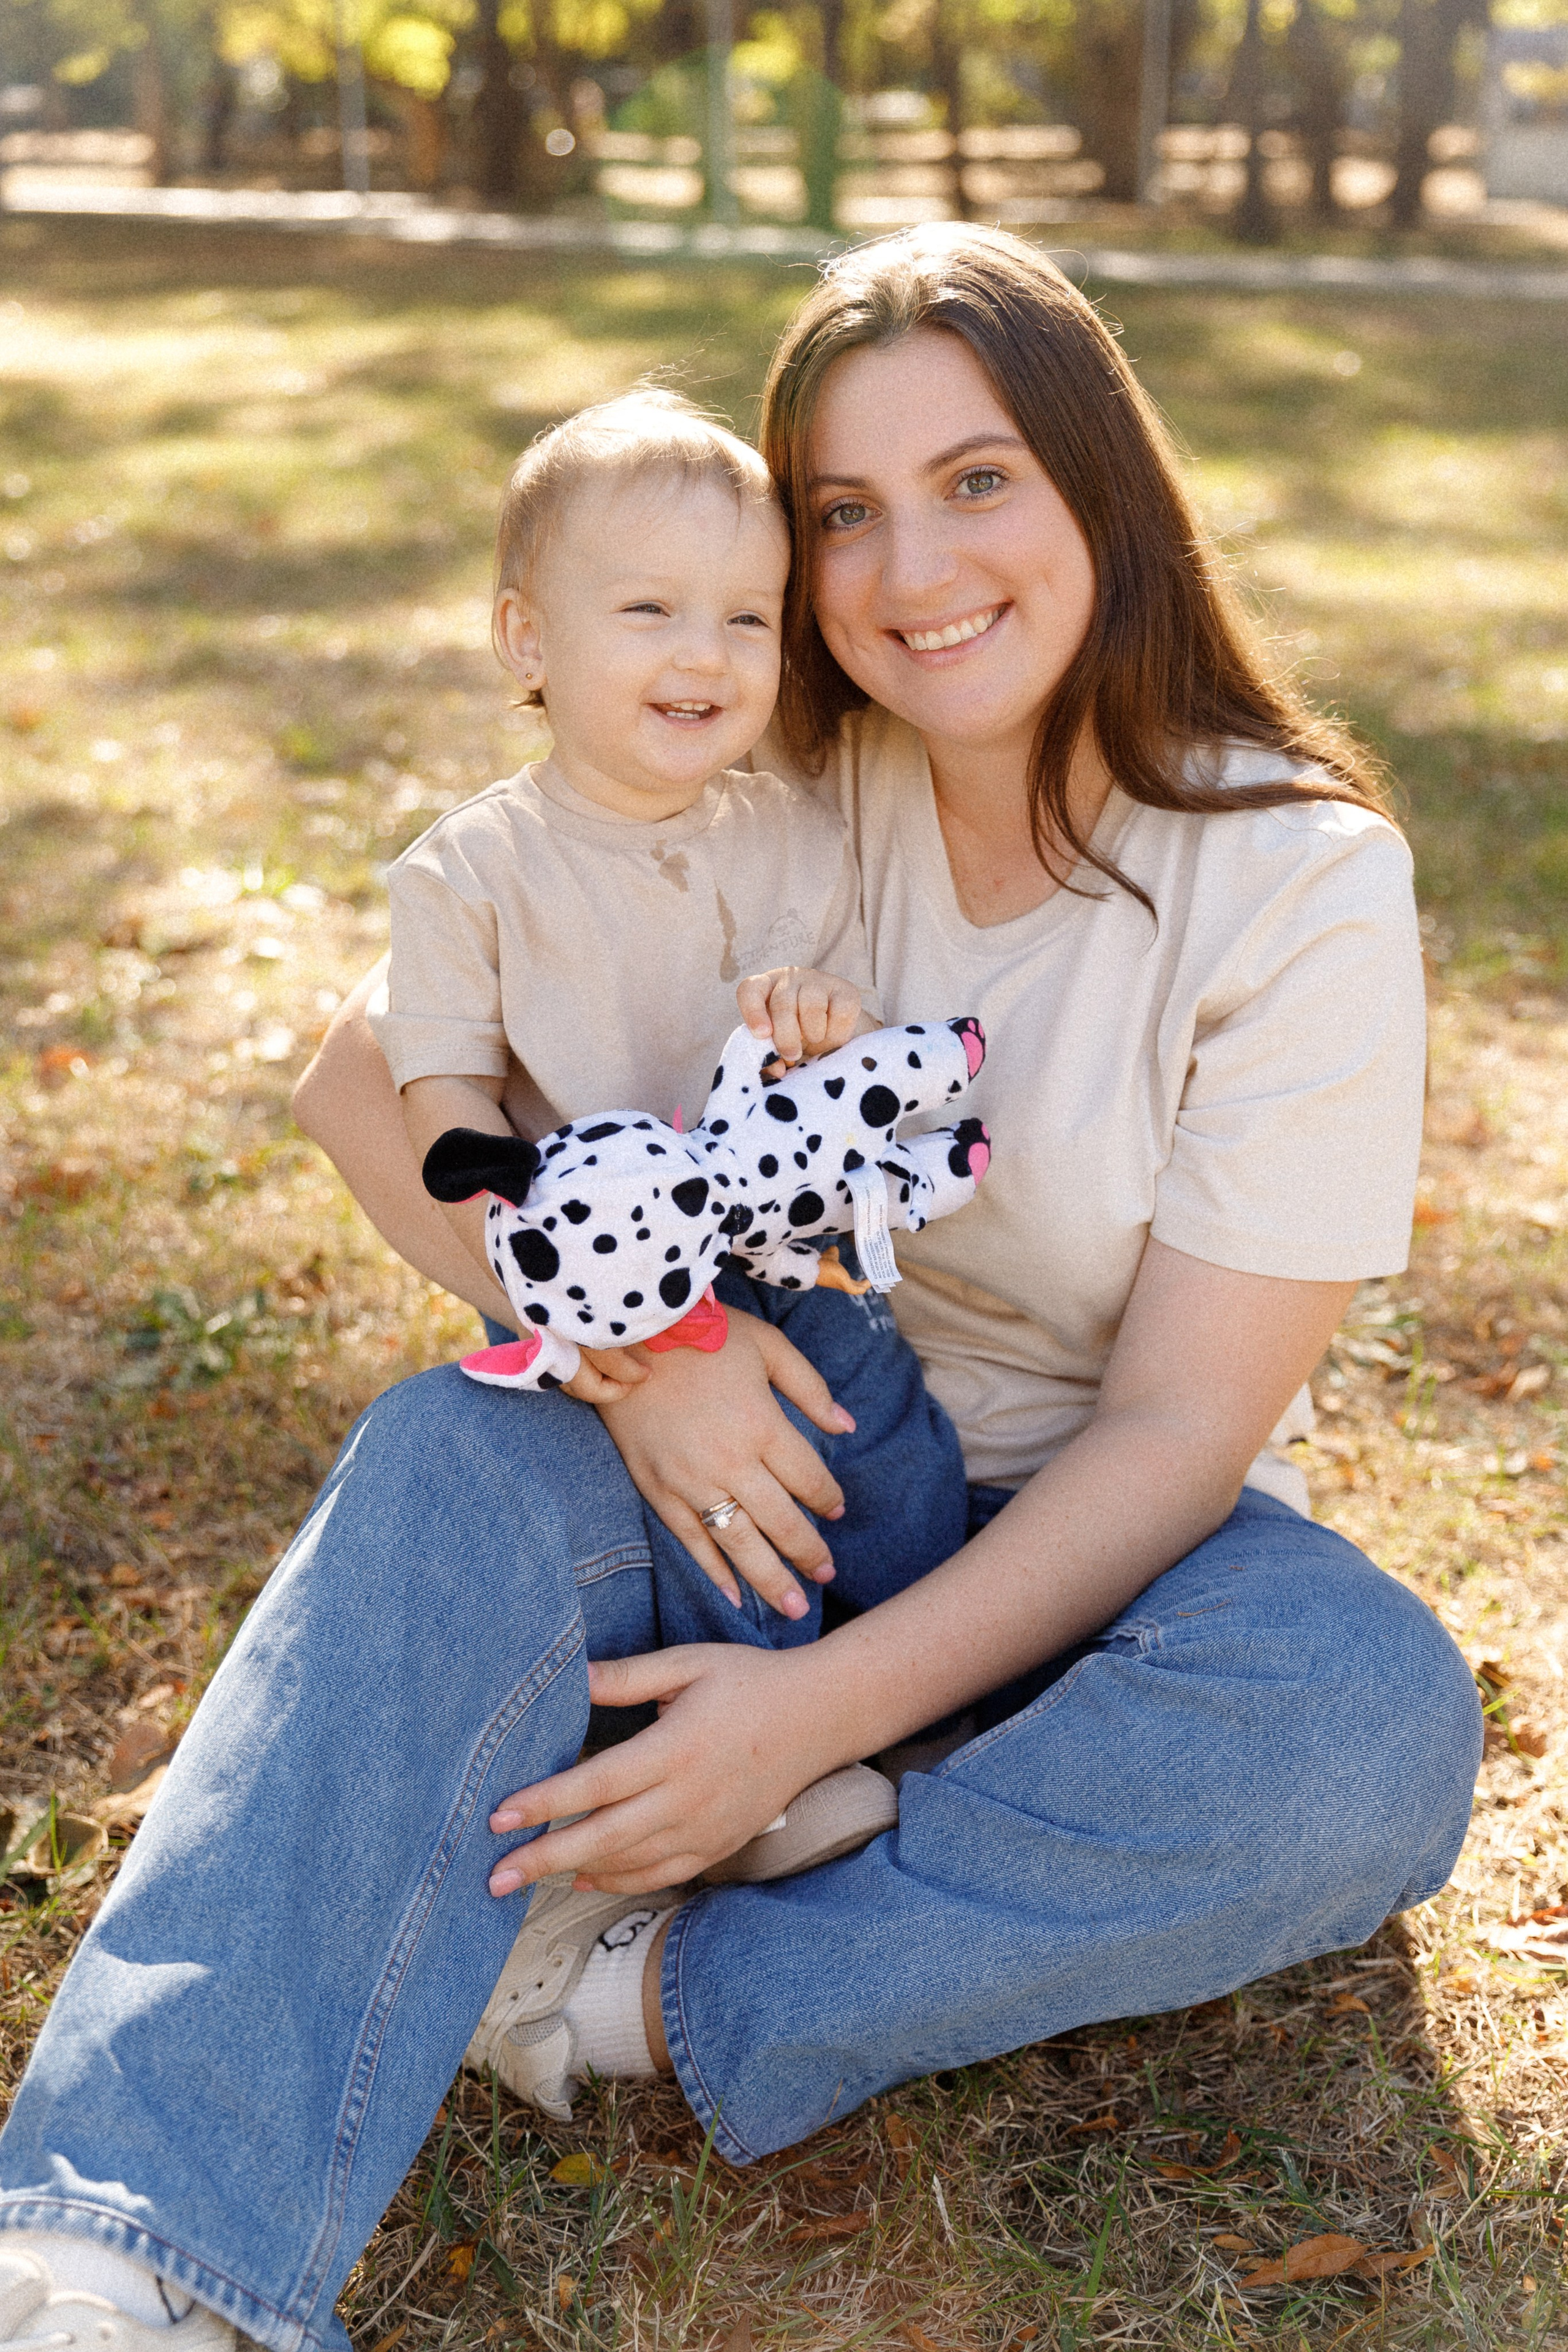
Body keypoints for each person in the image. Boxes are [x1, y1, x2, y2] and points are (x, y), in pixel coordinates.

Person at [0, 227, 1481, 2352]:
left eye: (979, 482)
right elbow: (360, 1080)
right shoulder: (758, 775)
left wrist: (820, 1709)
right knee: (445, 1451)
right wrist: (645, 1357)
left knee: (1363, 1725)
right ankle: (120, 2247)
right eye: (844, 515)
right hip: (726, 1481)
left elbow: (1174, 1435)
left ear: (1106, 494)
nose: (909, 570)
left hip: (1070, 1565)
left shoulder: (1292, 879)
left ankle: (624, 1991)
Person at [368, 382, 976, 1887]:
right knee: (732, 1528)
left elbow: (832, 1028)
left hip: (789, 1256)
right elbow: (435, 1086)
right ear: (527, 638)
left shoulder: (784, 825)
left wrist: (824, 1014)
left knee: (883, 1461)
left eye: (746, 619)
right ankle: (754, 1790)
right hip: (619, 1278)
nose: (703, 654)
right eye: (647, 609)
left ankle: (934, 1702)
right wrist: (524, 1257)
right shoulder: (474, 873)